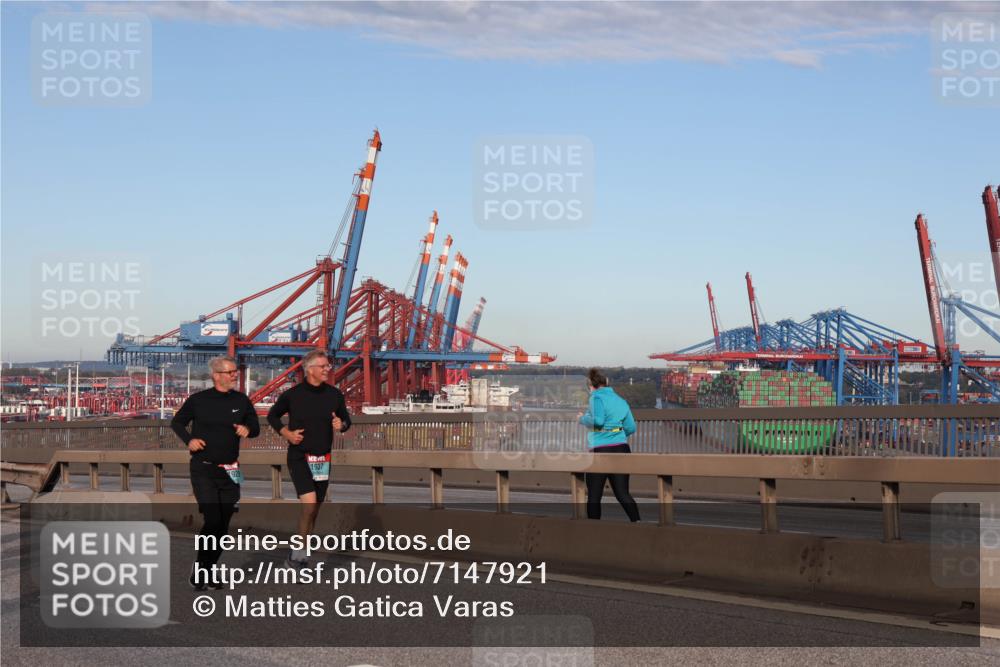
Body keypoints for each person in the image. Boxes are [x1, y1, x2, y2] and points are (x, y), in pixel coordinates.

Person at [171, 356, 260, 590]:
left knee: (222, 527)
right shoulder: (199, 400)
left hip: (231, 471)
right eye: (230, 372)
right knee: (213, 521)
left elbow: (256, 428)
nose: (235, 375)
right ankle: (201, 570)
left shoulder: (241, 400)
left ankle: (206, 571)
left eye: (235, 372)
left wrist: (247, 428)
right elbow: (177, 422)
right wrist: (189, 440)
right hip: (204, 469)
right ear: (217, 375)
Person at [267, 349, 351, 569]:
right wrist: (286, 433)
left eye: (328, 366)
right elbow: (272, 415)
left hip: (323, 458)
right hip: (299, 456)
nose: (327, 370)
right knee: (310, 504)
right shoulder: (293, 395)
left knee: (314, 509)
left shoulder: (334, 395)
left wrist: (340, 425)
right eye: (323, 366)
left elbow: (346, 420)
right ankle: (297, 557)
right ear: (310, 369)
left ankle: (300, 555)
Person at [577, 368, 641, 522]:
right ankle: (638, 523)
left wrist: (582, 419)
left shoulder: (596, 398)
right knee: (622, 493)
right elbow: (631, 428)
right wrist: (616, 435)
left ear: (590, 386)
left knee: (594, 495)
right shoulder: (621, 401)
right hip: (621, 449)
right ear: (607, 383)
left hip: (600, 450)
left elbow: (598, 422)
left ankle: (594, 531)